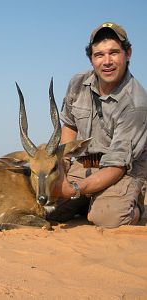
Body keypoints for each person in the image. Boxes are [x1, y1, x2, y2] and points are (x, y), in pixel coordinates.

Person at [48, 22, 147, 228]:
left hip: (124, 169)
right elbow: (70, 125)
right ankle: (89, 199)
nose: (107, 61)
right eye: (99, 55)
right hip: (88, 162)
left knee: (108, 218)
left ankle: (138, 207)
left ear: (128, 54)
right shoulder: (78, 82)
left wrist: (73, 189)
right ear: (91, 59)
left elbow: (117, 167)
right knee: (46, 207)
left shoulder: (136, 104)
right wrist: (63, 165)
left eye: (114, 53)